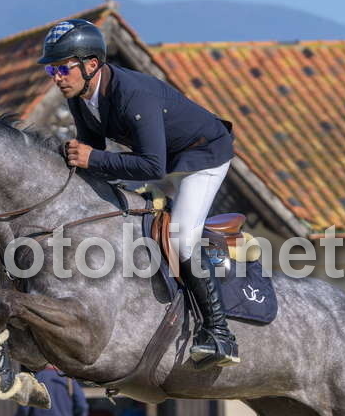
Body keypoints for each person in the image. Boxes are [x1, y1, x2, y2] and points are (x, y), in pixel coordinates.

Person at [38, 19, 239, 370]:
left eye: (62, 68)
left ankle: (220, 333)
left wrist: (91, 158)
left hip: (202, 157)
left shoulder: (133, 94)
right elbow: (94, 155)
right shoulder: (81, 96)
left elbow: (151, 167)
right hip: (164, 158)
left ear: (91, 64)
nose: (56, 77)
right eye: (51, 70)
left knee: (180, 237)